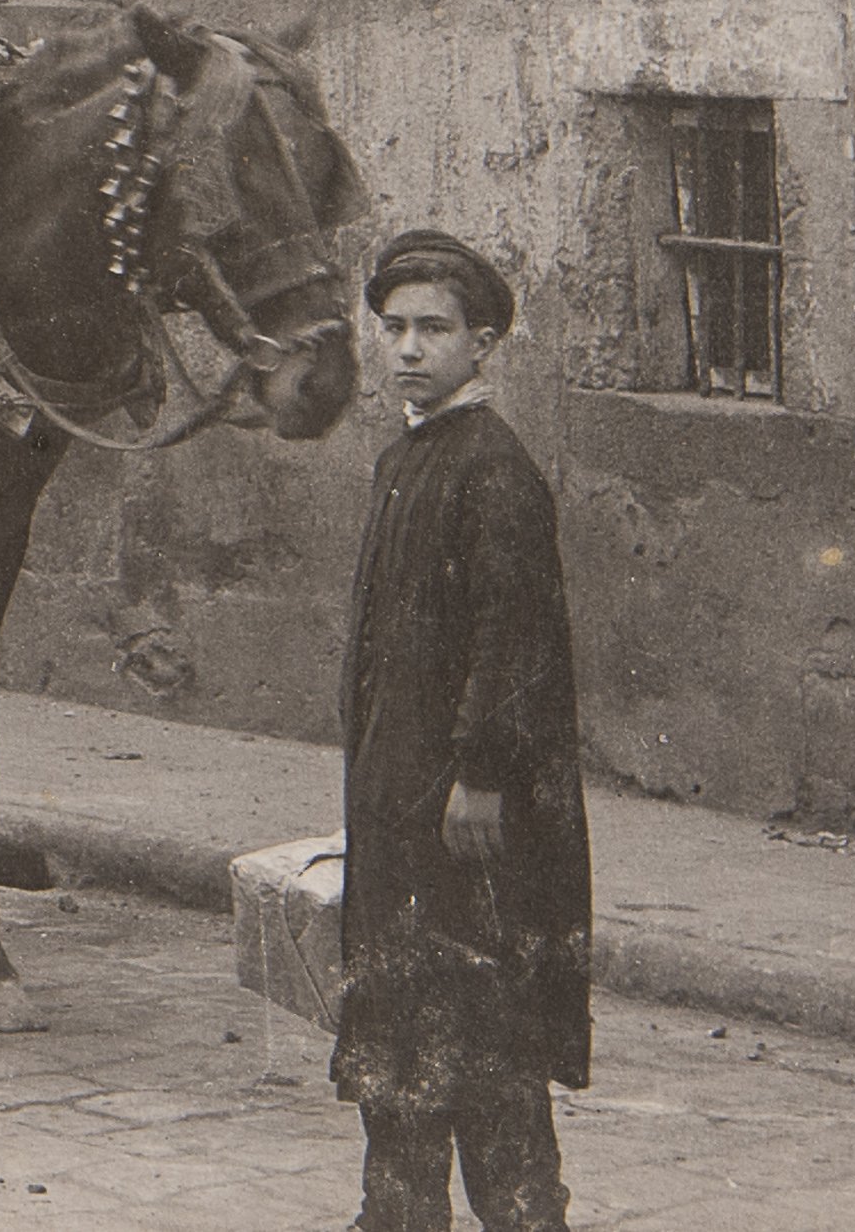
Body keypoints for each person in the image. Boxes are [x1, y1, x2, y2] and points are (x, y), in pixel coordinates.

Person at [336, 229, 590, 1232]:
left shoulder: (489, 468)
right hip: (399, 802)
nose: (406, 346)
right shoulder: (409, 454)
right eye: (392, 326)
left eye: (432, 328)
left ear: (479, 342)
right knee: (399, 1032)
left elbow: (510, 634)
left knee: (482, 1038)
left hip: (466, 818)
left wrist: (481, 772)